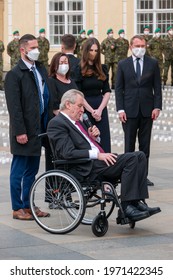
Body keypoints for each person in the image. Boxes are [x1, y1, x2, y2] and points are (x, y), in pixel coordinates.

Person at [47, 89, 161, 222]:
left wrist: (93, 138)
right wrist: (97, 155)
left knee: (140, 156)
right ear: (68, 104)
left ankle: (136, 202)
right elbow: (67, 153)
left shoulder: (77, 122)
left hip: (96, 161)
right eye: (80, 106)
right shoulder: (57, 123)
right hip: (86, 167)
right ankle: (127, 207)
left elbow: (84, 144)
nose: (83, 110)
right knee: (131, 159)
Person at [4, 34, 54, 220]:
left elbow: (45, 96)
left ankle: (28, 205)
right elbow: (14, 107)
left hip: (39, 127)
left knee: (32, 171)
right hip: (24, 130)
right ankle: (18, 208)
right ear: (22, 50)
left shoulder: (40, 69)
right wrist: (20, 131)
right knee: (19, 170)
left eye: (37, 47)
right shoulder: (15, 75)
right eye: (32, 47)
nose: (36, 50)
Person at [115, 35, 162, 187]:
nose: (140, 48)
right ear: (130, 47)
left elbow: (157, 87)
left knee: (145, 146)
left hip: (147, 111)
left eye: (143, 46)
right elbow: (119, 89)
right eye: (137, 46)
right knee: (129, 146)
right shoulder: (123, 64)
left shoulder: (153, 63)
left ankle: (143, 176)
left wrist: (157, 106)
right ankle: (128, 176)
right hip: (129, 111)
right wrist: (120, 109)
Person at [75, 37, 111, 152]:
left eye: (96, 51)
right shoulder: (78, 69)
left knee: (104, 140)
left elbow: (106, 91)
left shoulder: (103, 68)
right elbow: (79, 93)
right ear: (86, 51)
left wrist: (100, 109)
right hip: (85, 107)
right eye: (91, 50)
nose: (94, 53)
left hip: (101, 107)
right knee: (89, 139)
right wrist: (91, 111)